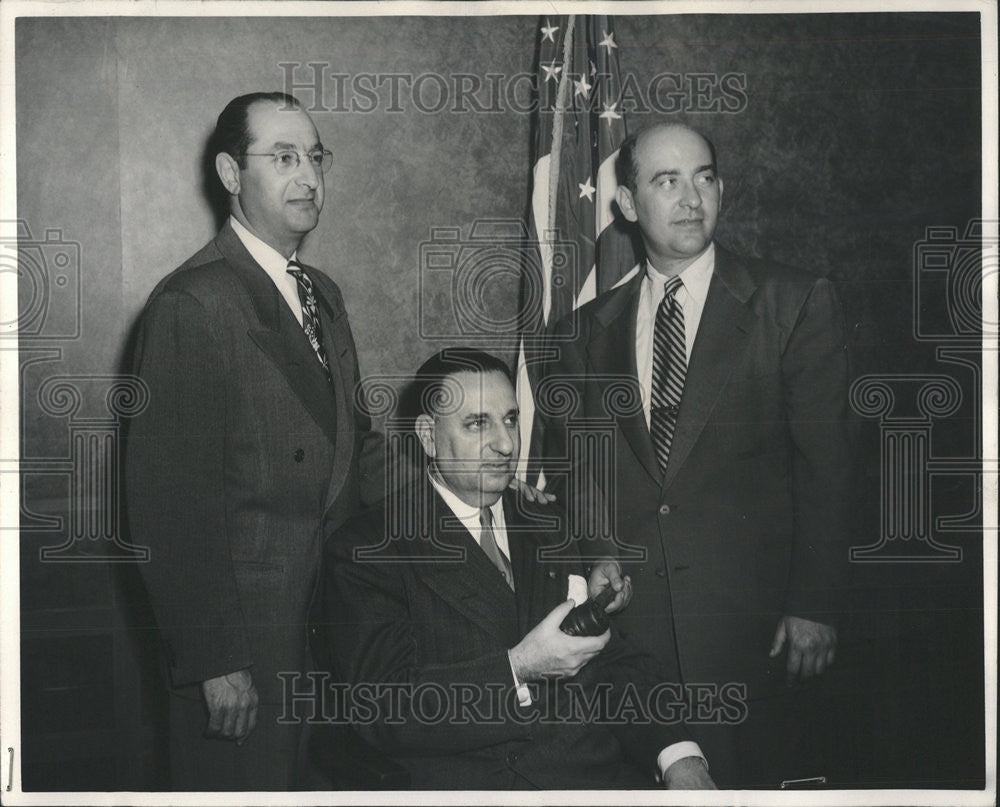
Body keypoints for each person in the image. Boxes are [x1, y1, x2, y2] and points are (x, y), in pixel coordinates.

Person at [541, 122, 854, 787]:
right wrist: (598, 553)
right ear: (626, 204)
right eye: (667, 181)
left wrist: (815, 603)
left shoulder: (792, 302)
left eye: (704, 177)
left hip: (757, 636)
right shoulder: (583, 334)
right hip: (633, 646)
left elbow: (829, 469)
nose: (691, 198)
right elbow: (584, 469)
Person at [125, 92, 385, 790]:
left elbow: (355, 449)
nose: (308, 176)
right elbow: (167, 504)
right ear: (232, 174)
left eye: (316, 158)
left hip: (324, 634)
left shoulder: (321, 293)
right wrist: (214, 660)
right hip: (241, 655)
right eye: (284, 157)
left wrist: (473, 478)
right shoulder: (192, 302)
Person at [318, 349, 717, 790]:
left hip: (594, 776)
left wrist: (679, 756)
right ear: (428, 436)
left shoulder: (547, 523)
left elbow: (611, 659)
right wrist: (520, 668)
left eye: (510, 419)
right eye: (478, 423)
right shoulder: (370, 548)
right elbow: (384, 708)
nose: (506, 444)